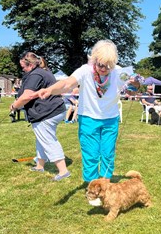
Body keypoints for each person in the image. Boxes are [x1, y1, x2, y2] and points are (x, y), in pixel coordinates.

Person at [32, 40, 139, 184]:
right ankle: (93, 186)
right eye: (100, 64)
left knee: (108, 154)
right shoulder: (85, 70)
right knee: (91, 155)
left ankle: (105, 184)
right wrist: (50, 89)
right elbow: (67, 83)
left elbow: (132, 92)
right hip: (88, 119)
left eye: (108, 66)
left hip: (111, 119)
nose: (104, 69)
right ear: (95, 59)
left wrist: (135, 84)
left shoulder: (119, 72)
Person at [9, 52, 70, 181]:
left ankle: (63, 171)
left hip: (46, 112)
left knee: (48, 140)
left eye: (23, 67)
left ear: (30, 65)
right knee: (41, 138)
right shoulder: (44, 71)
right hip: (55, 109)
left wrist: (15, 106)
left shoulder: (35, 75)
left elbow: (27, 96)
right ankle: (39, 166)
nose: (23, 69)